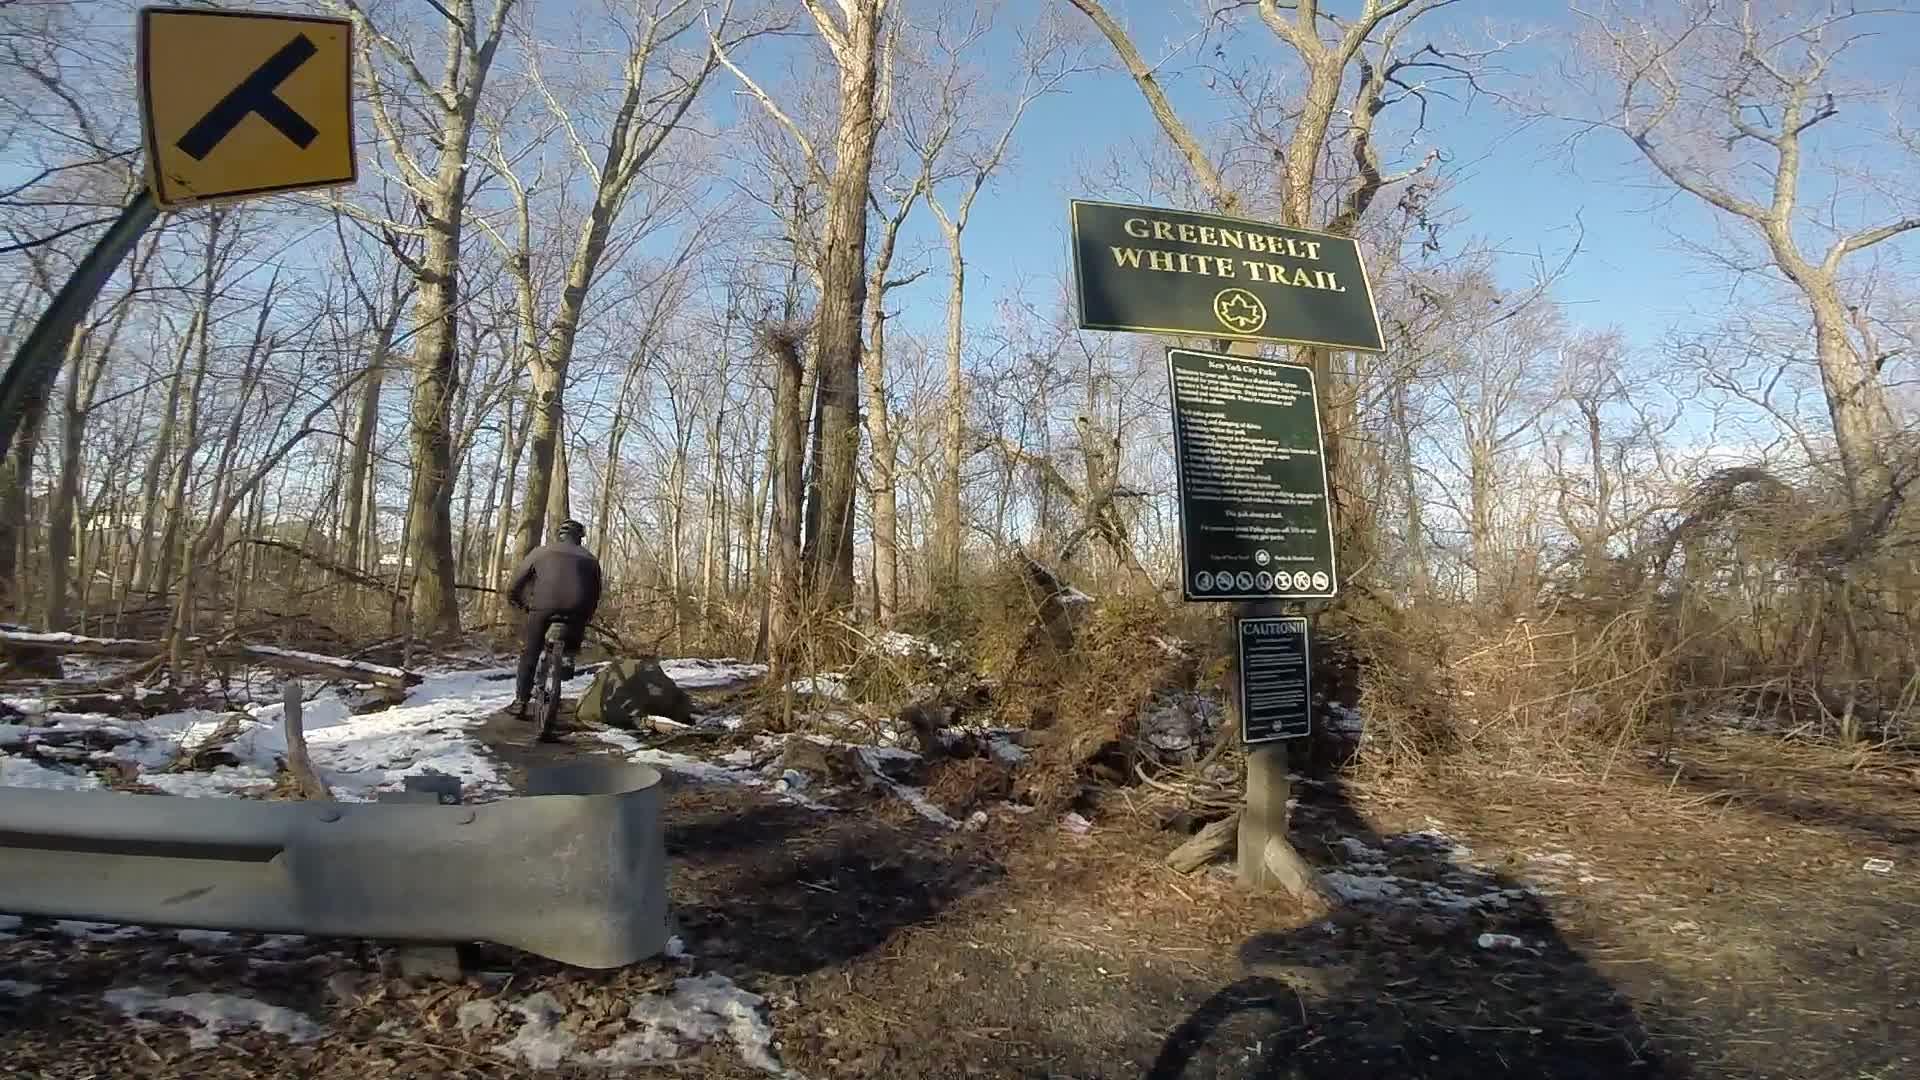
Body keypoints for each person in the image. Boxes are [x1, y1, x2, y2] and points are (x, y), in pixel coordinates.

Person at [505, 518, 602, 719]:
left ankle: (521, 702)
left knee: (530, 652)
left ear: (560, 535)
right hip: (577, 610)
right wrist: (586, 616)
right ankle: (568, 656)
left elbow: (516, 584)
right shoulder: (591, 559)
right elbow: (595, 594)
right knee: (572, 638)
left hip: (543, 608)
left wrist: (518, 601)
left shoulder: (541, 552)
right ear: (580, 538)